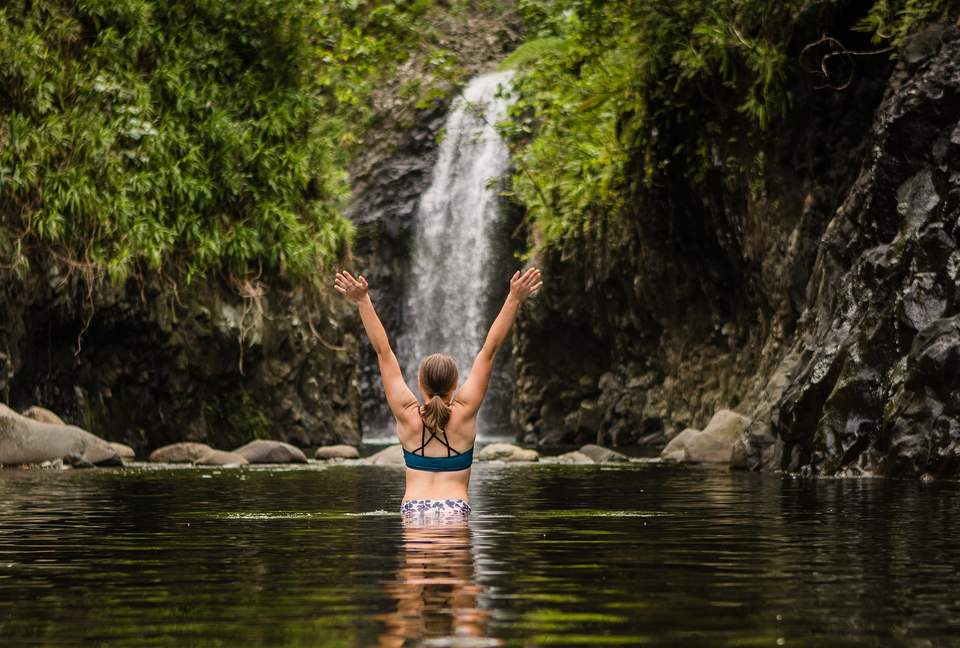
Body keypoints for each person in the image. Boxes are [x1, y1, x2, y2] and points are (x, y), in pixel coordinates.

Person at [333, 267, 543, 521]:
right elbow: (490, 351)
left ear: (420, 383)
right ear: (455, 384)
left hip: (413, 509)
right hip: (455, 508)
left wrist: (363, 300)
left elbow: (383, 351)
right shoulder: (464, 415)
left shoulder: (408, 417)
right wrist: (513, 299)